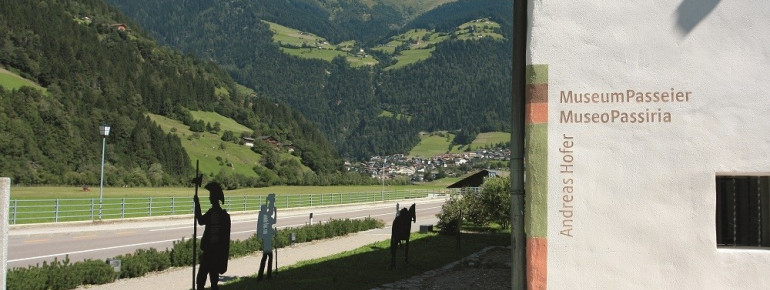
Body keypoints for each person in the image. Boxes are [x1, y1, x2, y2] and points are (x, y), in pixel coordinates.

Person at [194, 182, 231, 290]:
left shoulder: (215, 214)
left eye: (210, 196)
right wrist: (197, 204)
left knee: (203, 278)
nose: (209, 198)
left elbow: (201, 220)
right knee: (210, 279)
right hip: (214, 251)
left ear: (214, 198)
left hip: (212, 251)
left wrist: (197, 204)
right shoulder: (218, 214)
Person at [257, 193, 277, 281]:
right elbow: (273, 221)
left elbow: (268, 225)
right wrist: (275, 210)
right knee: (268, 257)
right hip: (267, 239)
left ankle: (261, 276)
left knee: (265, 257)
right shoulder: (265, 216)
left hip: (265, 238)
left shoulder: (262, 216)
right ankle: (267, 275)